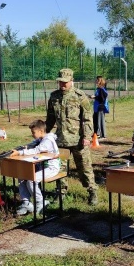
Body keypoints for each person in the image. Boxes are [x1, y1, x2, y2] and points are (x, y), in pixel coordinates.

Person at [46, 68, 98, 205]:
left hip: (78, 140)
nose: (62, 85)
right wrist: (43, 134)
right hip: (61, 140)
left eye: (65, 82)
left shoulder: (80, 96)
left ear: (71, 81)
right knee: (59, 168)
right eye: (60, 82)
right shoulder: (54, 96)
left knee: (85, 167)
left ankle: (92, 192)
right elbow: (50, 118)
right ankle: (61, 192)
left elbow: (87, 119)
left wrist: (87, 136)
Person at [11, 120, 60, 216]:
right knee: (22, 175)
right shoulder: (42, 139)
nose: (32, 134)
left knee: (31, 179)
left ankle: (40, 202)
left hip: (51, 168)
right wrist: (24, 148)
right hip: (41, 166)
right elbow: (33, 144)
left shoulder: (48, 141)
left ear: (41, 132)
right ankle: (26, 203)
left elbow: (37, 150)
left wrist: (20, 153)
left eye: (33, 132)